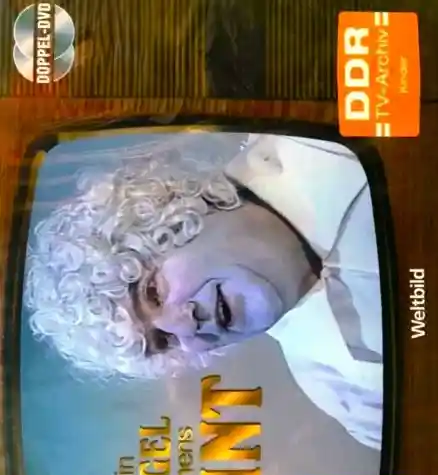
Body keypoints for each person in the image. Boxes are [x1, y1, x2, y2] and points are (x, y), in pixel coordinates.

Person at [24, 133, 383, 450]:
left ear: (171, 213)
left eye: (153, 293)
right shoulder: (352, 398)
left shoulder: (318, 133)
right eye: (163, 340)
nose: (186, 327)